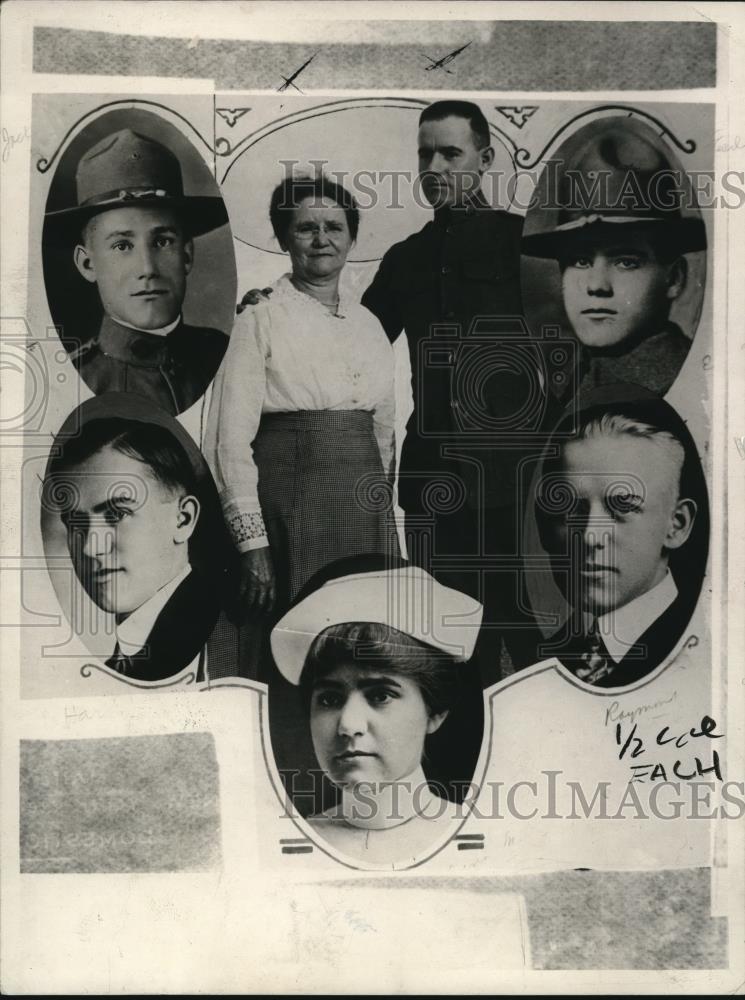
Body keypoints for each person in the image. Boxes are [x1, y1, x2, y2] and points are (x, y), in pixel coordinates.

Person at [204, 173, 398, 623]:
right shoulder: (260, 318)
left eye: (334, 227)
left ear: (352, 238)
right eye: (306, 228)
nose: (321, 239)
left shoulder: (369, 324)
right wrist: (253, 545)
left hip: (362, 514)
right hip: (289, 512)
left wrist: (381, 517)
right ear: (283, 237)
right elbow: (227, 442)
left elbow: (384, 433)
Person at [270, 554, 483, 865]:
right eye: (329, 699)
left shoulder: (479, 840)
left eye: (380, 695)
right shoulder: (291, 849)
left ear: (435, 712)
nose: (348, 725)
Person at [45, 128, 229, 414]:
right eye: (121, 246)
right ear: (87, 264)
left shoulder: (228, 356)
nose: (147, 268)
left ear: (187, 255)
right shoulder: (73, 383)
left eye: (162, 242)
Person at [522, 117, 707, 399]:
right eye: (580, 261)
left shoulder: (679, 386)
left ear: (674, 278)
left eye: (626, 262)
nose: (596, 286)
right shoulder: (580, 380)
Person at [44, 395, 225, 683]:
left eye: (117, 514)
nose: (91, 547)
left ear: (184, 519)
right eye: (76, 523)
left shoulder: (220, 640)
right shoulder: (121, 662)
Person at [534, 393, 708, 687]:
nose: (590, 536)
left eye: (623, 506)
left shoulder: (709, 654)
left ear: (676, 525)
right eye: (569, 509)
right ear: (544, 526)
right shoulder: (550, 659)